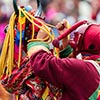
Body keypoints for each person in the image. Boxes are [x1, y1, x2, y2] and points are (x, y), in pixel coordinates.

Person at [27, 19, 100, 100]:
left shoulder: (86, 69)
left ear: (90, 46)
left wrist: (38, 42)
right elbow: (74, 76)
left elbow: (42, 64)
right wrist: (65, 42)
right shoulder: (94, 68)